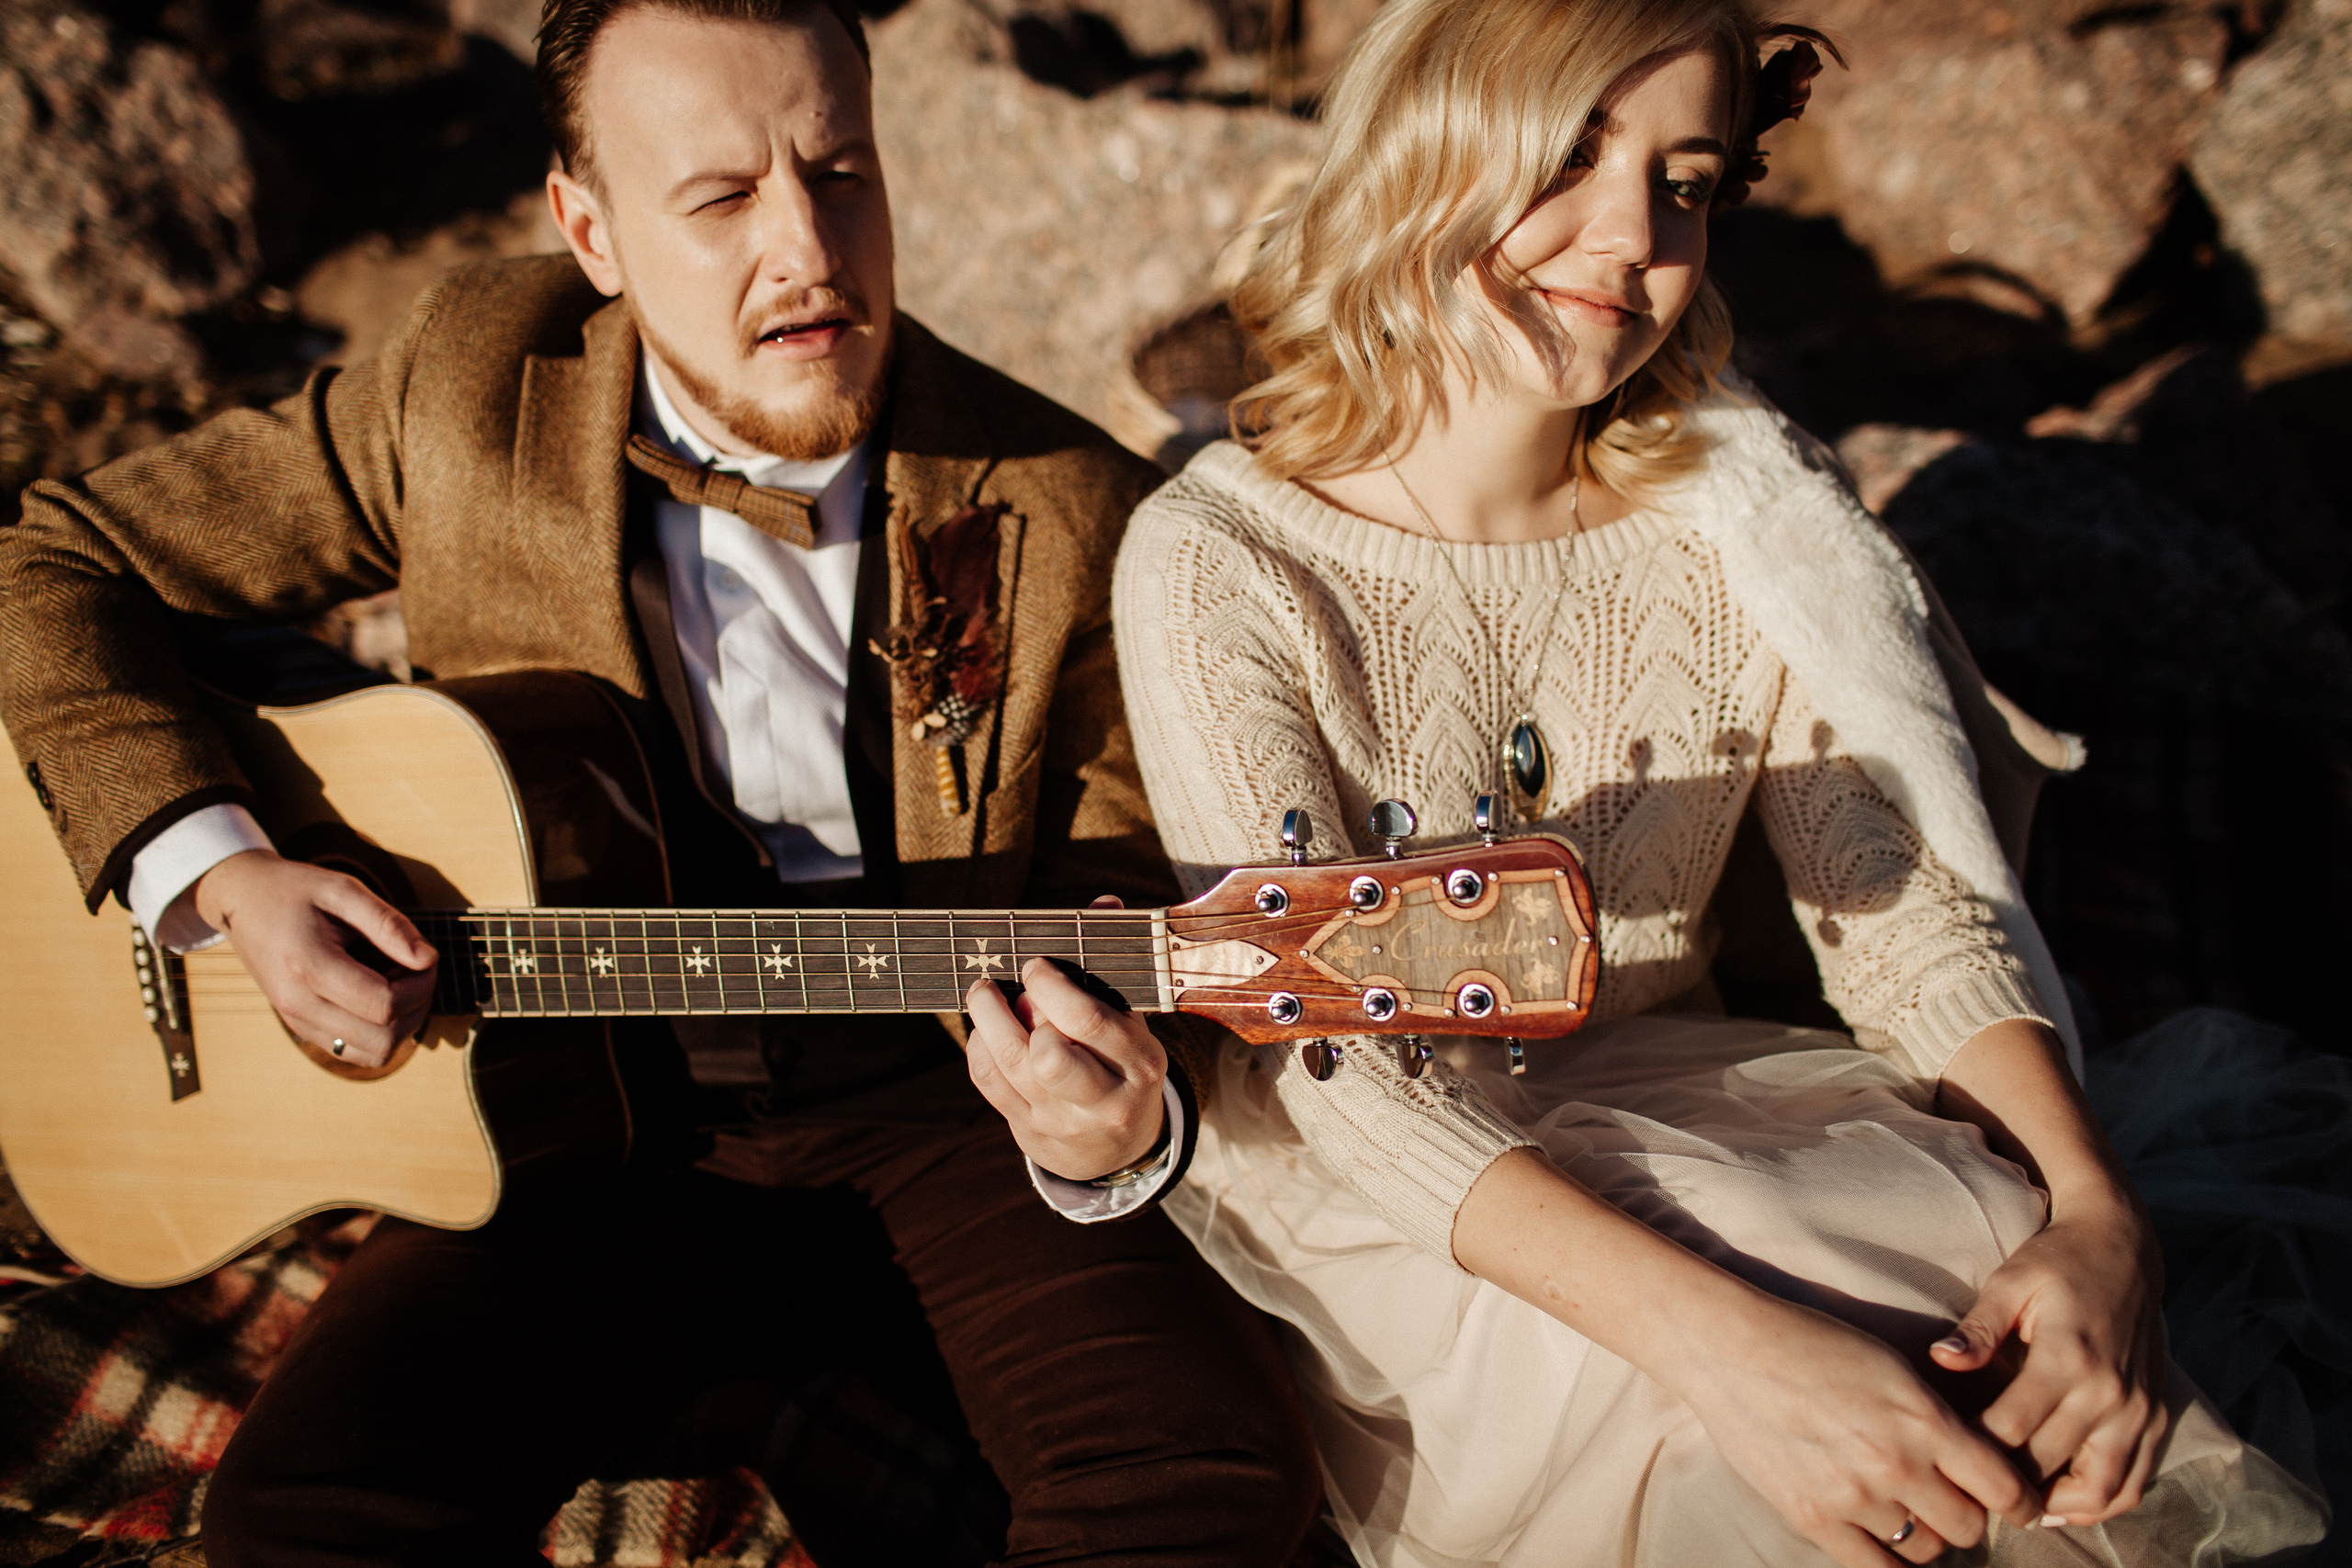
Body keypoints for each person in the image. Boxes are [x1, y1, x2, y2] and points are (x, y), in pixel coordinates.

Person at [0, 0, 1323, 1560]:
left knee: (1201, 1499)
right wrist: (219, 874)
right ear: (591, 227)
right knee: (306, 1520)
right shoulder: (465, 378)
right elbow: (55, 558)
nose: (810, 248)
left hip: (950, 1105)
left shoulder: (1073, 503)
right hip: (556, 1115)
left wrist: (1109, 1124)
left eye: (840, 172)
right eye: (720, 197)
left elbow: (1130, 885)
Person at [1105, 1, 2328, 1564]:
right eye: (1569, 155)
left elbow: (1902, 912)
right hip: (1411, 1181)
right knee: (1767, 1368)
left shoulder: (1744, 499)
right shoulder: (1222, 562)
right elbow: (1349, 1080)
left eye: (1685, 182)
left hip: (1701, 1088)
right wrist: (1734, 1349)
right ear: (1422, 151)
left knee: (1991, 1265)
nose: (1631, 237)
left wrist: (2100, 1217)